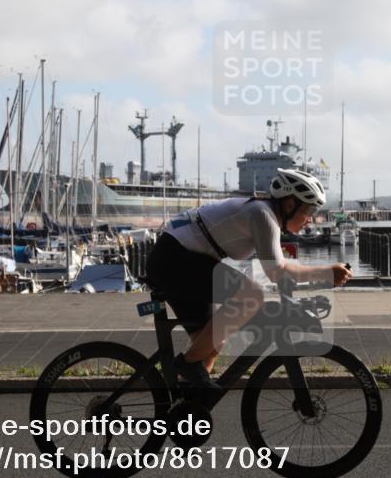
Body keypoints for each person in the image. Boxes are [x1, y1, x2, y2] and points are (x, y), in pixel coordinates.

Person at [145, 168, 353, 391]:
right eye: (309, 209)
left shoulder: (263, 213)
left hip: (184, 258)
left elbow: (278, 266)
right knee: (251, 295)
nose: (310, 218)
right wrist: (327, 273)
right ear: (290, 204)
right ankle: (186, 365)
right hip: (175, 259)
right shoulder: (262, 214)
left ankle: (185, 410)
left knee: (211, 344)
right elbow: (278, 271)